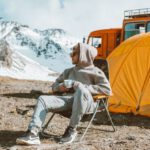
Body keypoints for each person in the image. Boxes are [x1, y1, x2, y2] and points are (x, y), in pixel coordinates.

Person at [16, 42, 112, 145]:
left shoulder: (96, 72)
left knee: (81, 90)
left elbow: (107, 90)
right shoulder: (68, 71)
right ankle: (33, 134)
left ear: (84, 54)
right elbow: (54, 87)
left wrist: (80, 86)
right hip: (68, 101)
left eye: (74, 53)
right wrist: (60, 88)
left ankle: (71, 129)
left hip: (87, 103)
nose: (71, 55)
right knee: (42, 99)